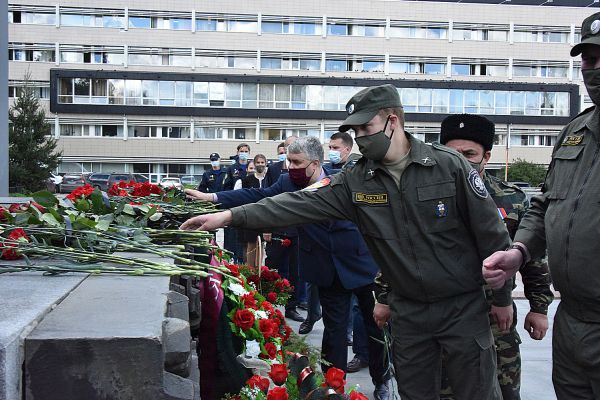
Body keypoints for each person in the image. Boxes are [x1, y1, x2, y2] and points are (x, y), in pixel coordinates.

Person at [181, 84, 512, 400]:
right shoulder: (357, 180)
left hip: (461, 307)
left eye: (367, 128)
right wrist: (227, 216)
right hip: (409, 311)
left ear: (392, 121)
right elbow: (295, 204)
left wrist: (501, 298)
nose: (360, 139)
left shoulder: (447, 165)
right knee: (415, 393)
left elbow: (492, 236)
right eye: (355, 132)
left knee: (477, 393)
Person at [185, 137, 391, 399]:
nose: (290, 166)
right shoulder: (287, 182)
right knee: (334, 332)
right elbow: (257, 196)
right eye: (288, 161)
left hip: (360, 263)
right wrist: (212, 196)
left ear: (315, 164)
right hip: (325, 268)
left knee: (374, 328)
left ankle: (381, 379)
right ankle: (334, 389)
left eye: (296, 162)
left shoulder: (344, 179)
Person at [482, 13, 600, 399]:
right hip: (573, 319)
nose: (593, 69)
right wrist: (520, 250)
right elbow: (544, 204)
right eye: (588, 59)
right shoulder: (575, 132)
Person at [438, 114, 554, 400]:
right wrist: (386, 297)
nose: (461, 160)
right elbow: (401, 248)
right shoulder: (423, 196)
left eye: (469, 154)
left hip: (495, 318)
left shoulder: (510, 198)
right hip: (441, 317)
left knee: (503, 389)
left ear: (486, 156)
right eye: (453, 153)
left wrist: (538, 308)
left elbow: (534, 256)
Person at [236, 155, 268, 265]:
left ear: (266, 163)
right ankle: (250, 270)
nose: (260, 164)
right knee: (250, 243)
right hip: (250, 215)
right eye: (258, 162)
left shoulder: (268, 179)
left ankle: (259, 269)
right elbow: (240, 197)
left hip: (265, 215)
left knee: (261, 244)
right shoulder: (246, 180)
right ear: (254, 164)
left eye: (262, 162)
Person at [222, 143, 251, 262]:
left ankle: (243, 261)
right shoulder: (231, 169)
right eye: (241, 151)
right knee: (232, 235)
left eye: (246, 151)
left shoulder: (251, 166)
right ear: (238, 152)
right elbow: (225, 187)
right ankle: (229, 258)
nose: (243, 153)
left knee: (244, 236)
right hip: (234, 205)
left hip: (248, 206)